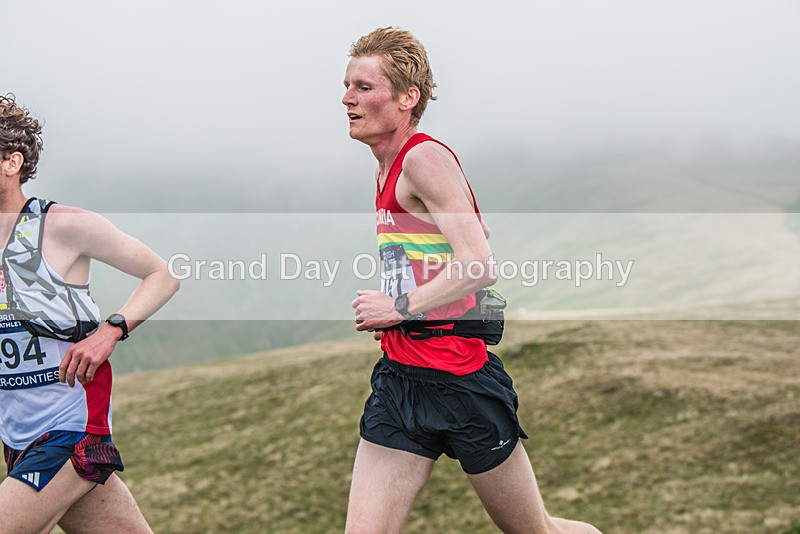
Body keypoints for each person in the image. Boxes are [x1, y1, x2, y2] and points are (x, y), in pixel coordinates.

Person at [344, 28, 600, 533]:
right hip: (401, 381)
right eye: (346, 85)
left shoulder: (423, 157)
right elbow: (465, 236)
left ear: (407, 97)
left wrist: (399, 306)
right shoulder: (388, 167)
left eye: (363, 87)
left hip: (462, 383)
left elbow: (480, 264)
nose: (347, 98)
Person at [0, 94, 179, 533]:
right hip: (17, 437)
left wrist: (110, 330)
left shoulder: (63, 226)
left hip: (71, 429)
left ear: (11, 161)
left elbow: (162, 275)